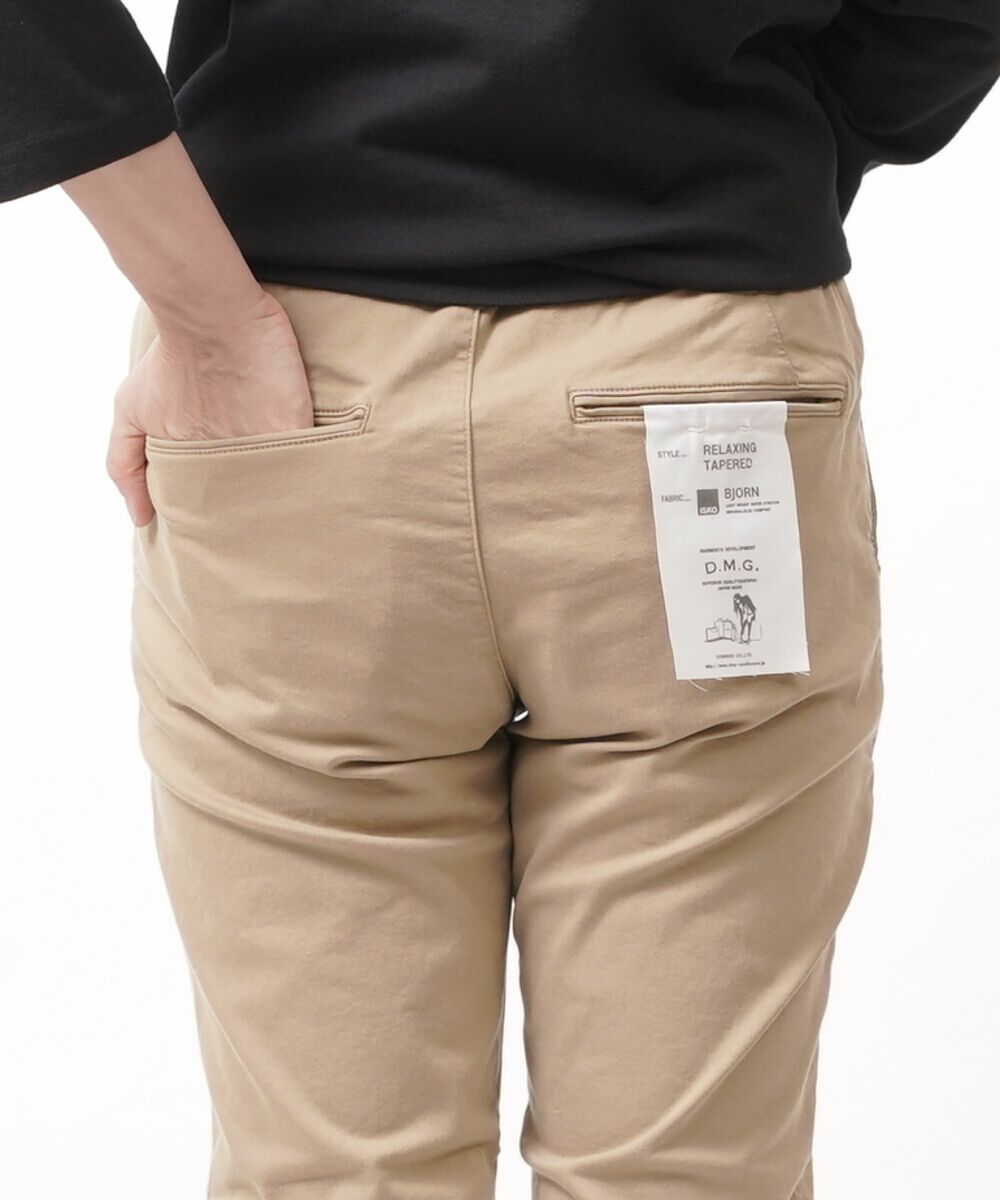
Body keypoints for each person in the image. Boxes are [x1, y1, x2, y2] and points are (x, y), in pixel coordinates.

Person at [2, 3, 997, 1197]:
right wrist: (764, 145)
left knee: (338, 1177)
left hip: (297, 382)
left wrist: (205, 315)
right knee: (683, 1177)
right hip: (699, 354)